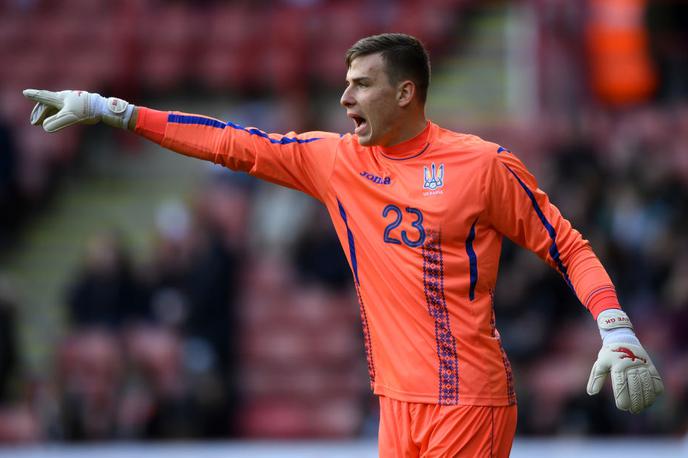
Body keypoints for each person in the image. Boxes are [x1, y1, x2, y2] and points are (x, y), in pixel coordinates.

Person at [23, 33, 663, 457]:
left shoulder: (482, 166)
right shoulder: (335, 163)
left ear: (405, 92)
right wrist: (115, 111)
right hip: (394, 406)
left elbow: (568, 245)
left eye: (361, 84)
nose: (344, 97)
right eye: (345, 82)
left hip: (466, 400)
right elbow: (231, 142)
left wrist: (615, 327)